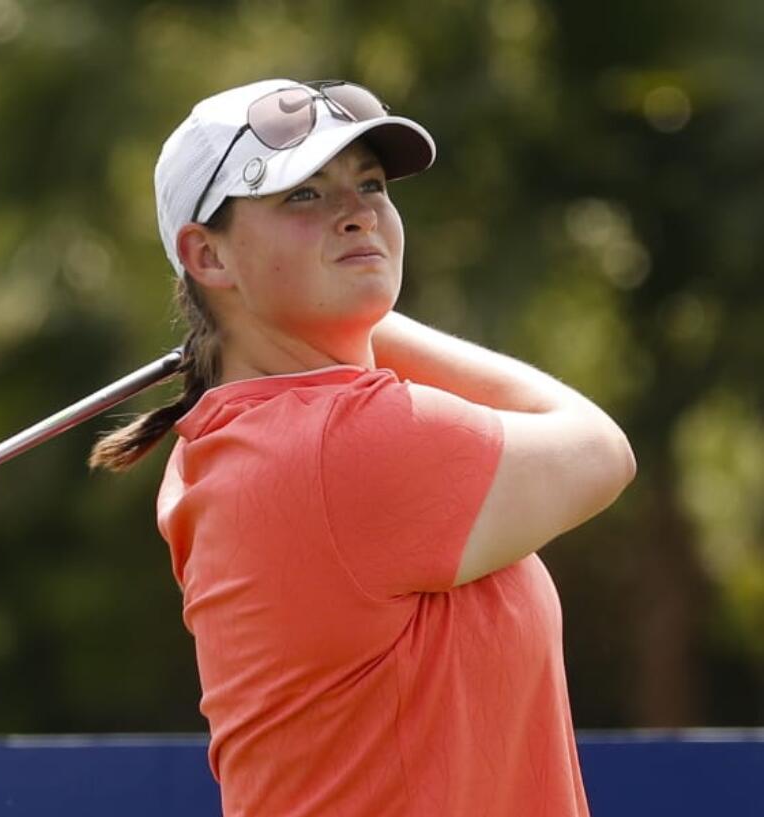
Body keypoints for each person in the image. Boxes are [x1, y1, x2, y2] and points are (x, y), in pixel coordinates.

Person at [88, 78, 636, 817]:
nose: (358, 214)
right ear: (208, 258)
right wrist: (373, 319)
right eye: (303, 196)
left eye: (372, 185)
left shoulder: (238, 442)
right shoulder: (343, 442)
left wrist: (340, 320)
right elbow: (600, 449)